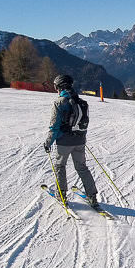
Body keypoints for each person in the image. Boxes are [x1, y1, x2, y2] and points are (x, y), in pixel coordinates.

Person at [44, 74, 99, 207]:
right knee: (82, 167)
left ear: (59, 87)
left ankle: (61, 194)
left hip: (64, 142)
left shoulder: (59, 103)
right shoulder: (81, 102)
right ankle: (92, 196)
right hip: (80, 140)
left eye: (55, 87)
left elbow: (54, 126)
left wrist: (48, 142)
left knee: (60, 166)